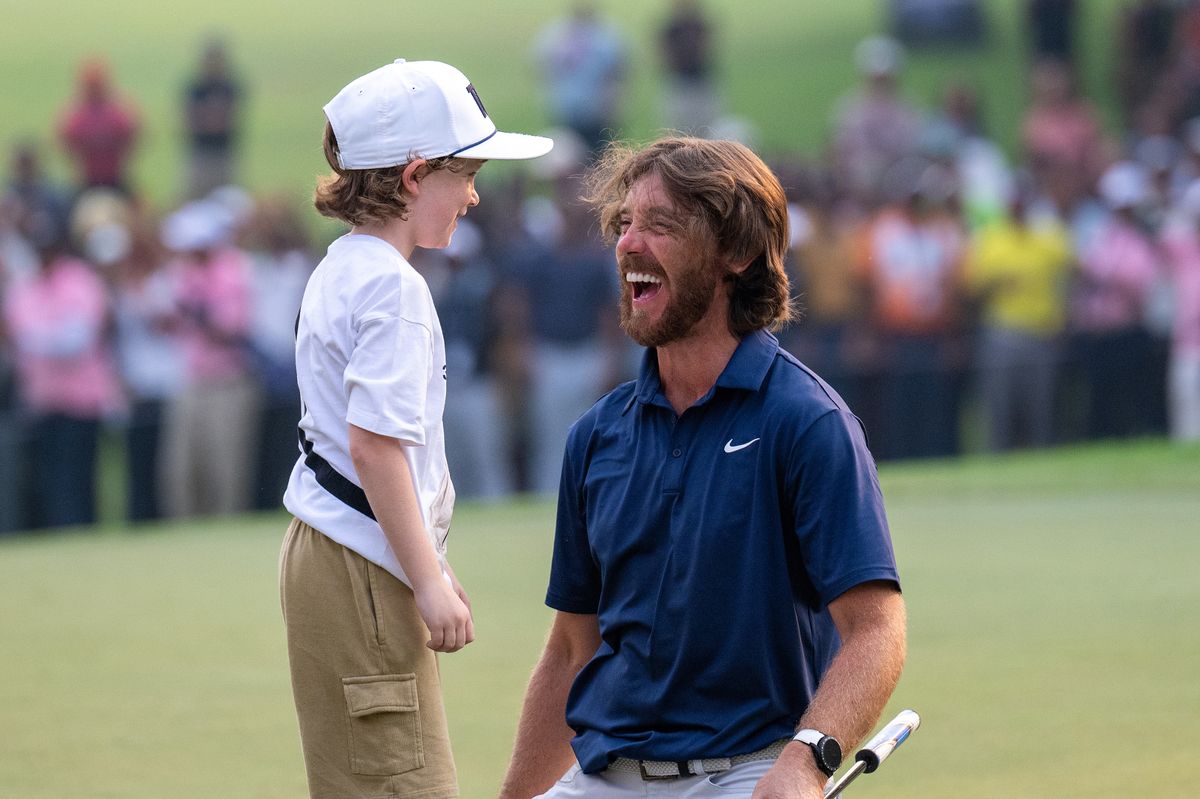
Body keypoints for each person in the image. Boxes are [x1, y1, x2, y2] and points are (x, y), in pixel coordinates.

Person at [498, 137, 906, 799]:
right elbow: (572, 648)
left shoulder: (807, 423)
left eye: (660, 225)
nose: (629, 244)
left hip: (748, 770)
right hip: (604, 775)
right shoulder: (596, 437)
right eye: (624, 224)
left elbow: (875, 629)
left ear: (737, 254)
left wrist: (806, 760)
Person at [279, 59, 551, 799]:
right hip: (358, 566)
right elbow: (372, 446)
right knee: (403, 782)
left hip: (335, 551)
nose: (472, 194)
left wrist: (424, 557)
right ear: (412, 175)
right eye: (465, 173)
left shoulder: (342, 266)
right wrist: (425, 581)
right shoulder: (393, 290)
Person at [57, 58, 140, 194]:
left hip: (115, 178)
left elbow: (134, 133)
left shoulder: (117, 111)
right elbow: (64, 139)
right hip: (86, 180)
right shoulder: (77, 113)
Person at [183, 37, 243, 198]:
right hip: (201, 152)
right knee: (196, 195)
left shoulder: (228, 87)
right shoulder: (196, 88)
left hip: (222, 152)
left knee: (225, 196)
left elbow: (230, 118)